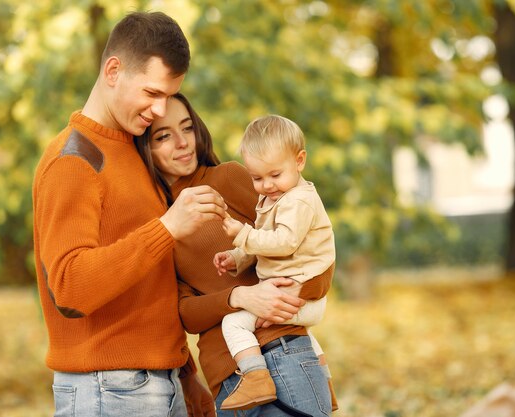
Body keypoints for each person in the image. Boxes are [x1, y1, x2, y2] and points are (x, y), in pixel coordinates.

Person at [32, 12, 222, 417]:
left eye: (168, 96)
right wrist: (166, 228)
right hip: (109, 389)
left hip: (159, 381)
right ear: (113, 70)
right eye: (151, 92)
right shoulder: (74, 160)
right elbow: (69, 286)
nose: (159, 109)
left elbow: (152, 286)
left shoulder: (134, 150)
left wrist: (186, 376)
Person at [135, 93, 338, 416]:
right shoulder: (155, 224)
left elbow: (308, 241)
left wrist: (303, 292)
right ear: (144, 147)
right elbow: (184, 314)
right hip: (225, 380)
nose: (182, 142)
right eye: (163, 136)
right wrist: (238, 296)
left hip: (279, 350)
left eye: (187, 129)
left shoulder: (229, 178)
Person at [212, 114, 336, 410]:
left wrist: (242, 233)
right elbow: (265, 242)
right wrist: (237, 258)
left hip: (301, 292)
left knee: (234, 323)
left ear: (300, 161)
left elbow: (283, 242)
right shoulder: (277, 198)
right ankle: (325, 383)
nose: (267, 185)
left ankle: (256, 379)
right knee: (306, 335)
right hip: (297, 292)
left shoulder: (298, 201)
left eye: (275, 175)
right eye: (257, 178)